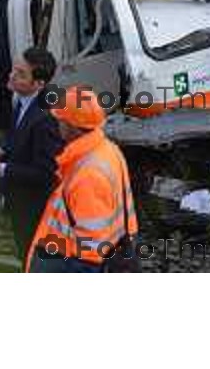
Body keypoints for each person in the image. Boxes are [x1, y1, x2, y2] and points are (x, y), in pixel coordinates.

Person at [25, 86, 138, 273]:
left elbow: (90, 253)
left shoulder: (87, 174)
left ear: (70, 126)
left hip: (71, 261)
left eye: (60, 121)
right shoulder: (107, 149)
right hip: (115, 246)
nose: (57, 125)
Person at [0, 47, 64, 264]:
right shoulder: (22, 99)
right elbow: (19, 137)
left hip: (35, 208)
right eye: (14, 69)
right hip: (20, 200)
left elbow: (45, 173)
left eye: (21, 74)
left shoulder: (46, 119)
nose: (11, 75)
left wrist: (0, 168)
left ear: (38, 84)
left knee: (33, 258)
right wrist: (2, 151)